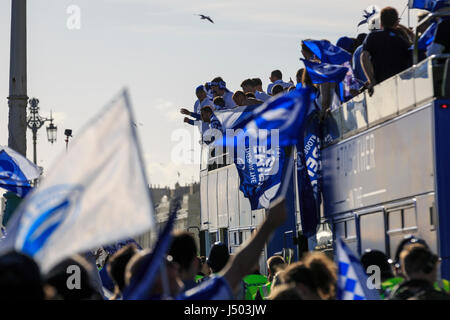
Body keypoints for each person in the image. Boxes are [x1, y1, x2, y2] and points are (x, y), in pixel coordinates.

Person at [177, 197, 288, 300]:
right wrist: (269, 224)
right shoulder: (231, 287)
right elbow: (238, 267)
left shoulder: (196, 286)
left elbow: (239, 266)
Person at [361, 7, 412, 92]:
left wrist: (371, 80)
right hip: (402, 84)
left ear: (380, 21)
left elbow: (364, 57)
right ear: (397, 21)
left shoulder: (373, 36)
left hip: (380, 84)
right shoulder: (402, 39)